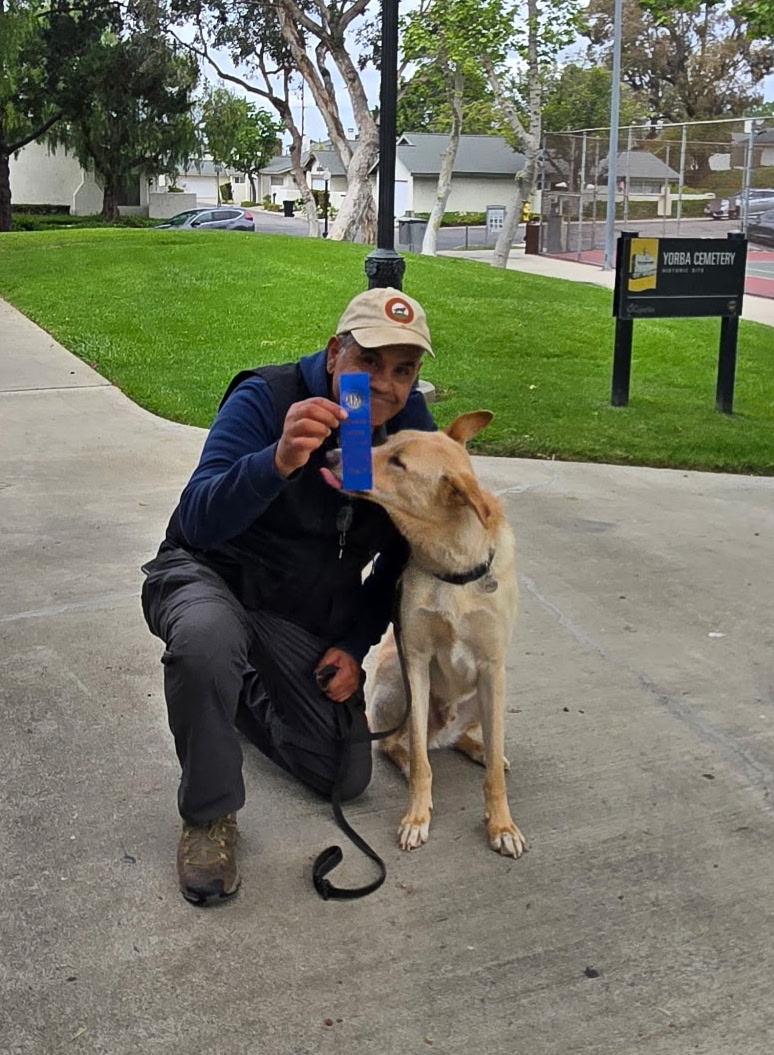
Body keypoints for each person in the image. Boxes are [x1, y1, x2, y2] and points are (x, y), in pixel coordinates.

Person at [140, 286, 436, 905]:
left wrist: (355, 646)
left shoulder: (408, 432)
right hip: (208, 572)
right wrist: (274, 462)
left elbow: (397, 561)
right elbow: (197, 517)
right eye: (369, 363)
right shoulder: (267, 397)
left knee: (345, 774)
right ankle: (208, 817)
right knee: (205, 643)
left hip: (292, 610)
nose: (383, 386)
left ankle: (233, 697)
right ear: (334, 355)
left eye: (403, 371)